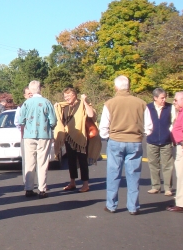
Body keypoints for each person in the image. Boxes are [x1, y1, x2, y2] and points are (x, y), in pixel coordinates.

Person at [99, 75, 151, 215]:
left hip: (116, 140)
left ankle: (111, 204)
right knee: (133, 174)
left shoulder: (110, 103)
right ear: (129, 87)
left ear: (116, 87)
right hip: (135, 141)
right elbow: (148, 126)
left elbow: (103, 127)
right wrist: (140, 135)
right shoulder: (141, 103)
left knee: (113, 173)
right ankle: (133, 207)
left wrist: (108, 137)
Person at [17, 80, 57, 198]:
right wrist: (50, 127)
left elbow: (21, 121)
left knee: (29, 162)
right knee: (42, 162)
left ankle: (28, 188)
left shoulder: (26, 103)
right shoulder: (46, 102)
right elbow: (53, 121)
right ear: (40, 89)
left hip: (29, 135)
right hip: (44, 135)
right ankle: (42, 189)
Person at [53, 88, 97, 193]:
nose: (66, 98)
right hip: (69, 138)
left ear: (75, 95)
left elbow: (91, 115)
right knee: (71, 160)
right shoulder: (65, 107)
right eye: (65, 97)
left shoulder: (82, 104)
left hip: (81, 137)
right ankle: (72, 182)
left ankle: (85, 184)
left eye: (68, 96)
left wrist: (85, 101)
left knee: (82, 160)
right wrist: (56, 108)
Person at [146, 88, 176, 196]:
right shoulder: (148, 107)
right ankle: (155, 186)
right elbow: (145, 122)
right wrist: (147, 133)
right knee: (153, 164)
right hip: (152, 140)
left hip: (166, 140)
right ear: (155, 98)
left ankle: (168, 188)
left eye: (165, 97)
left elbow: (174, 121)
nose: (164, 99)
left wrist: (170, 133)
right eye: (162, 98)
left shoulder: (170, 107)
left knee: (167, 165)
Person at [14, 87, 33, 186]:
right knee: (26, 161)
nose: (30, 95)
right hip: (25, 137)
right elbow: (17, 122)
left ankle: (40, 184)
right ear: (24, 96)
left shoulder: (39, 104)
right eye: (28, 93)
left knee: (39, 161)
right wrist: (23, 131)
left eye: (31, 93)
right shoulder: (21, 107)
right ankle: (27, 183)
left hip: (38, 137)